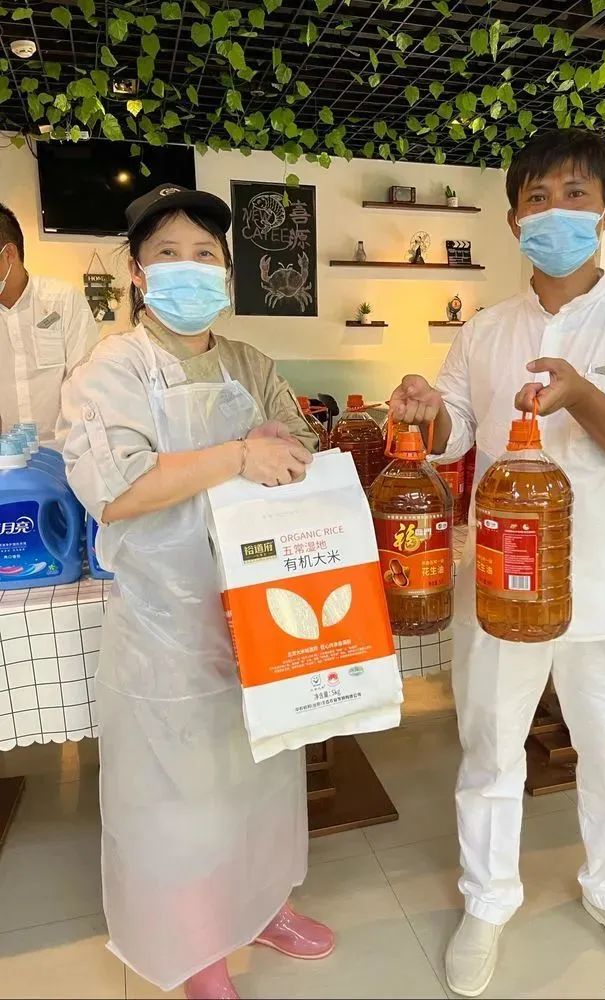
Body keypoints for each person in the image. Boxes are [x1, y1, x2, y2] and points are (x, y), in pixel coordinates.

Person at [389, 129, 605, 997]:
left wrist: (584, 393)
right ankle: (487, 901)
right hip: (500, 583)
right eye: (536, 197)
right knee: (490, 749)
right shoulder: (486, 330)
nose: (554, 211)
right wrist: (421, 408)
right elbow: (451, 430)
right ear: (513, 218)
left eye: (574, 194)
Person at [59, 184, 333, 1000]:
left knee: (265, 776)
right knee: (181, 799)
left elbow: (301, 443)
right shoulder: (112, 370)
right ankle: (196, 954)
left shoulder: (249, 363)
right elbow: (117, 489)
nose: (189, 268)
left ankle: (264, 907)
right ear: (138, 274)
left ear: (227, 270)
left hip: (259, 609)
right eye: (168, 254)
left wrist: (282, 445)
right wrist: (239, 455)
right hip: (167, 623)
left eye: (205, 254)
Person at [0, 202, 98, 442]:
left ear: (9, 254)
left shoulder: (63, 301)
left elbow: (86, 382)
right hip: (8, 455)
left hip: (65, 449)